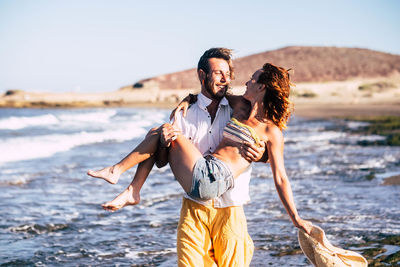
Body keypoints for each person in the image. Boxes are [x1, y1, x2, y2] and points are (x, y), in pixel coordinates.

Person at [88, 48, 312, 266]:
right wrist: (186, 102)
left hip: (229, 204)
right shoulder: (206, 110)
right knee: (162, 132)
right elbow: (161, 160)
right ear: (202, 76)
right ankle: (129, 185)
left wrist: (295, 217)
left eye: (232, 75)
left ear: (262, 86)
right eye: (218, 73)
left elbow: (279, 173)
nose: (234, 80)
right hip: (195, 203)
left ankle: (126, 182)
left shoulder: (255, 119)